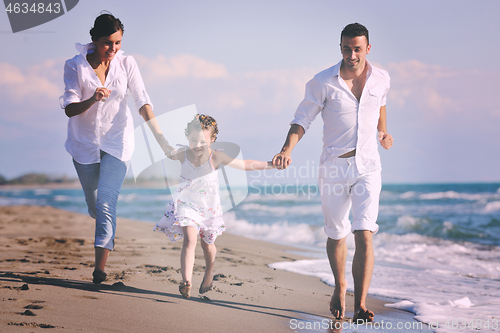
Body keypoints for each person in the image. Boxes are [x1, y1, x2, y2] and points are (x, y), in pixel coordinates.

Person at [272, 23, 393, 323]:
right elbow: (302, 119)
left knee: (364, 231)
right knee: (336, 233)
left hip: (368, 167)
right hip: (334, 167)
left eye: (357, 49)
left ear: (368, 49)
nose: (352, 55)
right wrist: (287, 149)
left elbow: (381, 105)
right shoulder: (323, 82)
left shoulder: (381, 78)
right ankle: (340, 286)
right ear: (340, 48)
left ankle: (360, 303)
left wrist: (384, 132)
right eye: (346, 49)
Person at [60, 13, 174, 284]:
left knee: (106, 202)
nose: (113, 49)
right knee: (94, 206)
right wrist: (93, 98)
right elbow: (69, 108)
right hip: (84, 144)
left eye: (118, 42)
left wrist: (160, 139)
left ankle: (99, 268)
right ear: (94, 40)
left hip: (117, 142)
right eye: (107, 43)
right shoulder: (74, 65)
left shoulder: (126, 63)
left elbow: (142, 100)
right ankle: (103, 232)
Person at [154, 114, 274, 299]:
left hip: (209, 208)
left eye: (202, 140)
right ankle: (186, 281)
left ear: (211, 140)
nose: (197, 144)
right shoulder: (183, 154)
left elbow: (244, 165)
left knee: (207, 245)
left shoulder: (216, 156)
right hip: (187, 204)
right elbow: (166, 148)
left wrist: (272, 164)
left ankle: (209, 271)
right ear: (188, 138)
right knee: (190, 239)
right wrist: (155, 130)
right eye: (193, 139)